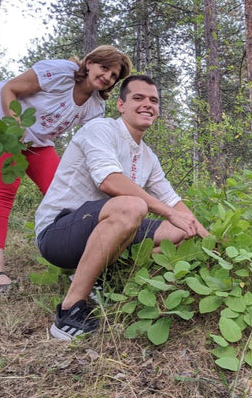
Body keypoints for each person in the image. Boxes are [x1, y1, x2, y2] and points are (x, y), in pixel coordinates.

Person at [34, 74, 210, 341]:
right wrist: (169, 213)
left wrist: (210, 242)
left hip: (103, 226)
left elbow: (175, 202)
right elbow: (109, 181)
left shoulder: (148, 155)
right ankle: (70, 310)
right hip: (59, 232)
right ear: (120, 105)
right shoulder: (101, 130)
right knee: (132, 206)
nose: (147, 105)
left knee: (180, 234)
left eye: (153, 100)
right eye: (137, 98)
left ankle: (102, 278)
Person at [0, 45, 132, 293]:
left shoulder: (95, 106)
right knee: (3, 191)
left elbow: (92, 143)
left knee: (65, 195)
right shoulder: (60, 73)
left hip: (39, 142)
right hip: (4, 124)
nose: (107, 76)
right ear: (89, 64)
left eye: (114, 76)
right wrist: (16, 123)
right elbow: (11, 88)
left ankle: (83, 266)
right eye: (104, 68)